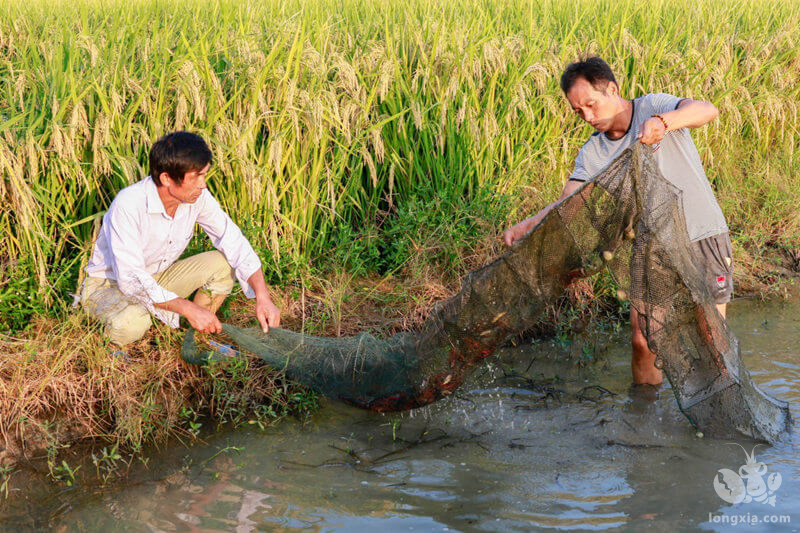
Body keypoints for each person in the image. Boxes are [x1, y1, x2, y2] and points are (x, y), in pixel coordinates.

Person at [503, 57, 732, 385]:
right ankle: (643, 419)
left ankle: (721, 412)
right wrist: (529, 224)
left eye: (591, 105)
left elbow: (707, 110)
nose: (588, 117)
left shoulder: (652, 106)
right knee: (643, 341)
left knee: (712, 338)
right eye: (578, 112)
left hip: (702, 235)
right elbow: (569, 202)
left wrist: (664, 122)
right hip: (651, 249)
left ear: (612, 89)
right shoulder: (594, 152)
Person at [80, 131, 281, 347]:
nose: (203, 185)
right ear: (166, 178)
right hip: (108, 286)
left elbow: (232, 239)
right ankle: (111, 347)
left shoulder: (197, 197)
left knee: (223, 264)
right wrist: (188, 308)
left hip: (158, 277)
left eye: (204, 175)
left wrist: (263, 296)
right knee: (131, 322)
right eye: (196, 177)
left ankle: (195, 337)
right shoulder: (128, 204)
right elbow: (131, 279)